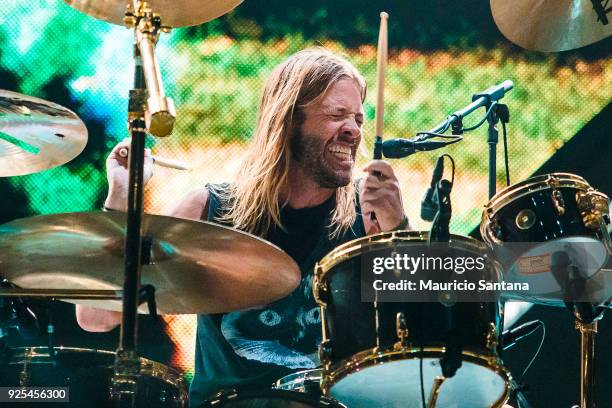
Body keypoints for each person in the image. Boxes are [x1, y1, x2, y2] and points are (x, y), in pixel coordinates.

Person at [76, 47, 408, 406]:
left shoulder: (369, 216)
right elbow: (95, 316)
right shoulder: (210, 209)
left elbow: (425, 343)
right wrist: (122, 199)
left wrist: (400, 229)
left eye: (359, 119)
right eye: (336, 114)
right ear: (288, 120)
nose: (354, 131)